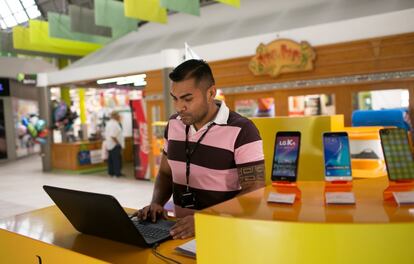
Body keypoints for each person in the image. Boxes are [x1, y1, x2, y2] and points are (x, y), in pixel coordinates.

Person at [135, 59, 265, 239]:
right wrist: (157, 203)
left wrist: (205, 220)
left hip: (225, 233)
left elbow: (255, 190)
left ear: (211, 93)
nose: (180, 107)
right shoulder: (173, 124)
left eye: (187, 99)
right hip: (179, 232)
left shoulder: (243, 130)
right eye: (175, 98)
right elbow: (166, 173)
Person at [105, 111, 124, 177]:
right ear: (115, 116)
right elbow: (113, 136)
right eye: (118, 115)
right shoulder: (115, 124)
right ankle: (117, 173)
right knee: (116, 160)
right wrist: (118, 143)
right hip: (115, 145)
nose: (119, 116)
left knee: (111, 159)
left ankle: (111, 173)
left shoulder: (109, 123)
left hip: (109, 144)